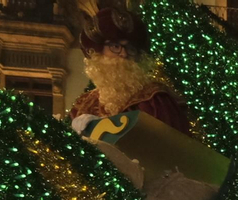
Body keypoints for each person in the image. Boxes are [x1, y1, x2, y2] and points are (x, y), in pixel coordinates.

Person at [71, 2, 193, 135]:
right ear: (98, 53)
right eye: (116, 47)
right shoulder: (84, 104)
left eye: (130, 48)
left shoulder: (155, 101)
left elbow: (171, 146)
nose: (124, 54)